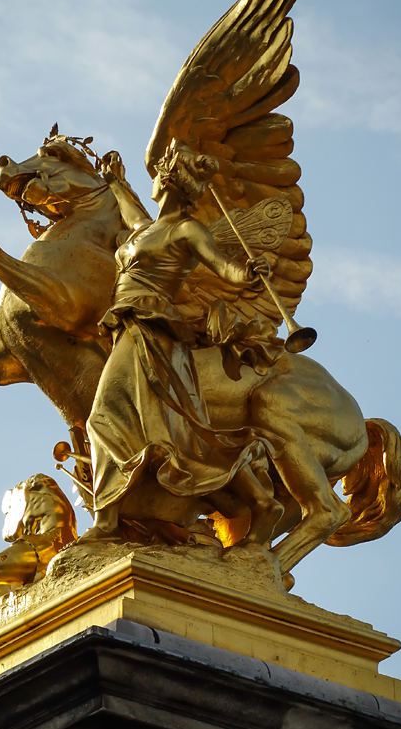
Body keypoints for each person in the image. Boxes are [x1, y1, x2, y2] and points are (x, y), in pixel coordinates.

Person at [79, 139, 284, 545]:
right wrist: (116, 182)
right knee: (157, 430)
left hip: (153, 334)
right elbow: (132, 213)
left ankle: (106, 519)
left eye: (161, 172)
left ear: (172, 180)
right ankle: (255, 498)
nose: (154, 178)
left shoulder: (188, 230)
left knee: (103, 418)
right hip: (129, 327)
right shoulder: (147, 228)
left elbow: (224, 268)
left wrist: (249, 272)